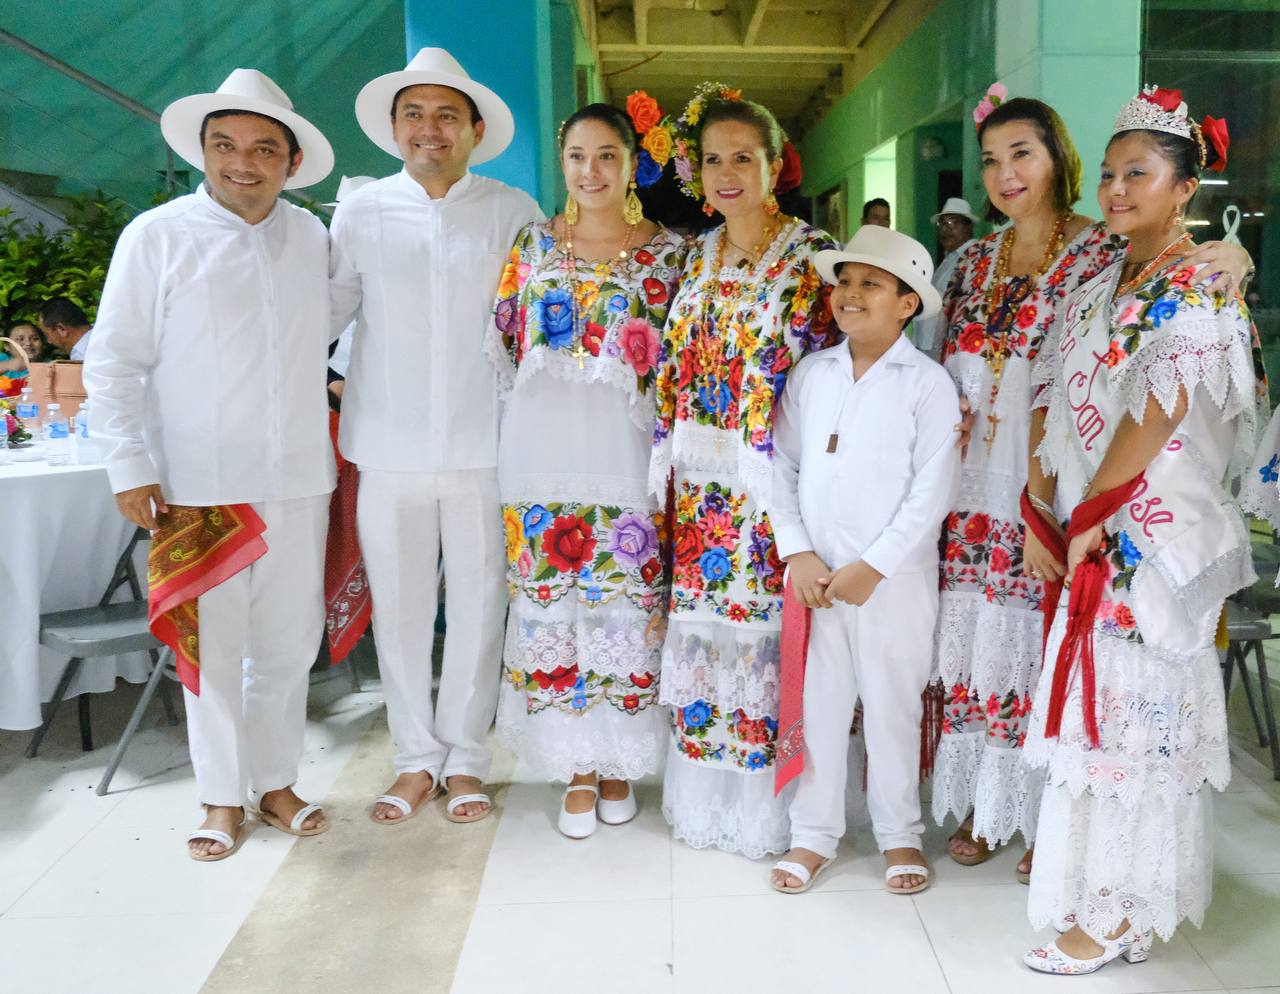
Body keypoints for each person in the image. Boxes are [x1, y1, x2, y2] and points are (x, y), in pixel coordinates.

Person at [932, 89, 1253, 883]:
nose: (1007, 174)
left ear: (1057, 160)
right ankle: (987, 799)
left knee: (1058, 653)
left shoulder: (1101, 252)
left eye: (1023, 155)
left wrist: (1236, 256)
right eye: (993, 161)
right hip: (994, 490)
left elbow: (1177, 298)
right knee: (983, 650)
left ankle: (1055, 820)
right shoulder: (972, 261)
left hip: (1090, 491)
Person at [1020, 85, 1259, 974]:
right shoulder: (1103, 278)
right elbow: (1055, 388)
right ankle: (1106, 894)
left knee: (1133, 726)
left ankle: (1120, 912)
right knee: (1099, 720)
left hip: (1148, 536)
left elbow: (1157, 415)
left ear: (1182, 187)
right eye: (1112, 172)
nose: (1118, 189)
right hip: (1096, 529)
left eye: (1140, 173)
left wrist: (1089, 518)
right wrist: (1049, 505)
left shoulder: (1199, 283)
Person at [83, 68, 337, 861]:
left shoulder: (312, 237)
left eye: (264, 148)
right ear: (203, 151)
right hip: (200, 483)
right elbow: (113, 362)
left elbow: (338, 330)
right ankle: (220, 796)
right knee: (213, 652)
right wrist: (129, 464)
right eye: (225, 145)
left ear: (291, 162)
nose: (243, 162)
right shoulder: (157, 236)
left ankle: (275, 782)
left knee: (290, 645)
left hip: (299, 476)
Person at [331, 48, 540, 826]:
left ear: (475, 129)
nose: (430, 129)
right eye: (414, 114)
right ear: (393, 129)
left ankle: (468, 761)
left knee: (483, 607)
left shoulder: (511, 210)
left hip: (486, 443)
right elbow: (327, 313)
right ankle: (415, 759)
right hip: (386, 444)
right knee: (404, 608)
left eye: (447, 115)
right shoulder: (360, 211)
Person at [649, 86, 839, 858]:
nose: (727, 174)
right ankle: (706, 799)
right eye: (713, 160)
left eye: (743, 158)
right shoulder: (697, 253)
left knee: (767, 644)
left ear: (774, 166)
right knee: (707, 640)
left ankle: (777, 809)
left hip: (772, 490)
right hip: (700, 492)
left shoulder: (814, 259)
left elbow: (831, 376)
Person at [489, 103, 685, 838]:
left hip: (626, 456)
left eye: (607, 155)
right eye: (577, 155)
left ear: (633, 163)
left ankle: (618, 764)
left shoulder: (671, 254)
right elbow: (505, 350)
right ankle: (574, 765)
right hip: (543, 454)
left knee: (624, 604)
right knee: (555, 603)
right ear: (563, 162)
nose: (591, 170)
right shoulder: (532, 244)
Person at [768, 225, 960, 895]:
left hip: (893, 582)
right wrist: (797, 550)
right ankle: (812, 834)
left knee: (890, 706)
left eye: (871, 284)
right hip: (817, 578)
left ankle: (899, 833)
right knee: (819, 704)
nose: (851, 294)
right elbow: (782, 464)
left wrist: (874, 565)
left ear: (908, 303)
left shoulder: (926, 384)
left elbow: (934, 485)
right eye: (844, 281)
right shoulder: (812, 373)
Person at [913, 197, 978, 359]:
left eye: (953, 223)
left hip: (947, 345)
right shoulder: (949, 258)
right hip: (928, 342)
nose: (945, 229)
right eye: (941, 224)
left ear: (968, 226)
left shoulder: (974, 256)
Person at [0, 322, 44, 396]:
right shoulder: (2, 359)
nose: (28, 343)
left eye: (35, 339)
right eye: (20, 339)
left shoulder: (48, 366)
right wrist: (7, 365)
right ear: (7, 346)